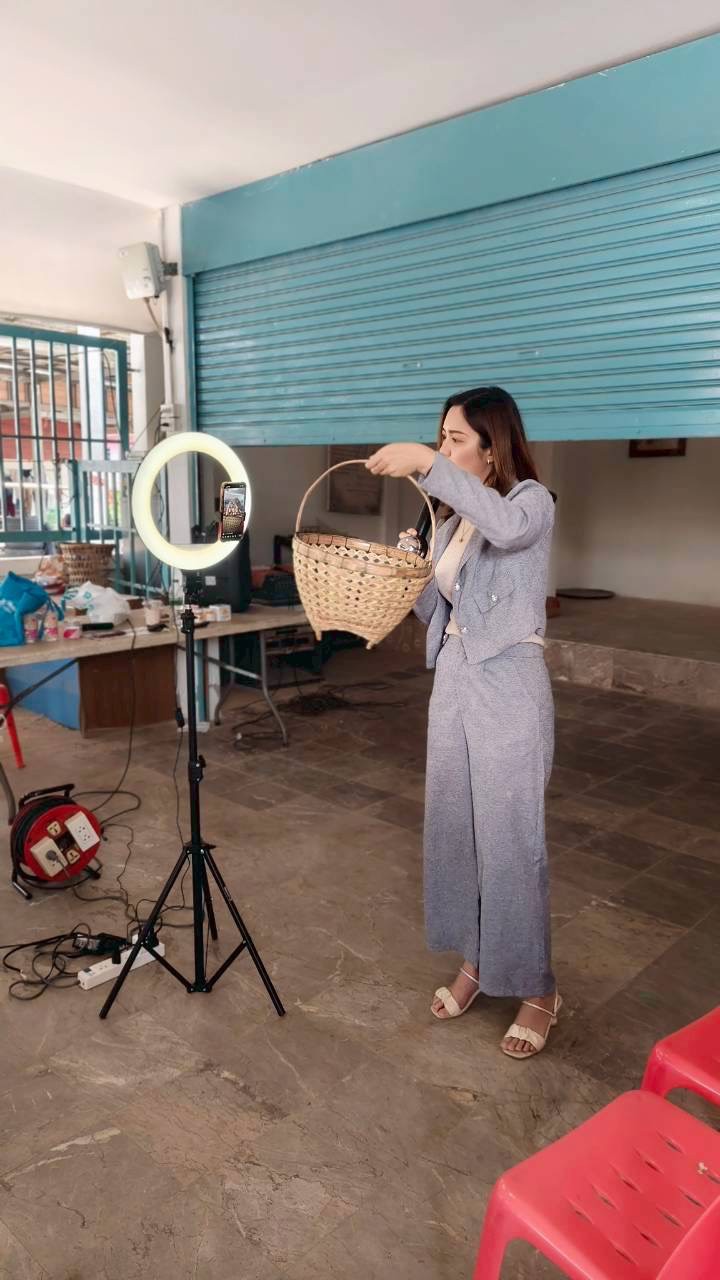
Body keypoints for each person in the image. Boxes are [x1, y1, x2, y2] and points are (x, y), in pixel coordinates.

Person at [366, 387, 560, 1060]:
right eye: (440, 438)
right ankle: (478, 961)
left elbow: (507, 530)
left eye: (454, 439)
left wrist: (426, 464)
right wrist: (414, 569)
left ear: (491, 447)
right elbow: (438, 612)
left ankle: (538, 987)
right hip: (453, 681)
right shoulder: (450, 524)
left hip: (509, 685)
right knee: (455, 829)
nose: (443, 448)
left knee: (511, 839)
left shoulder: (530, 503)